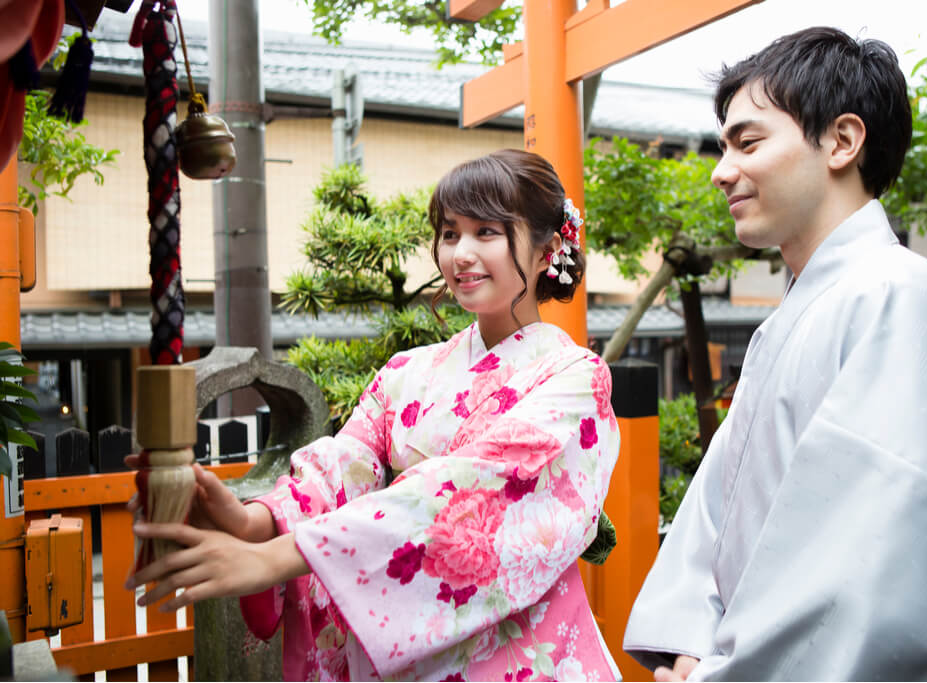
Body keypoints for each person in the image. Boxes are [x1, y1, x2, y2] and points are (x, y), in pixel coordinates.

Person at [127, 149, 622, 682]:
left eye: (486, 232)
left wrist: (275, 559)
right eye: (450, 233)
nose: (460, 254)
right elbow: (345, 466)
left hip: (527, 656)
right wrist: (252, 520)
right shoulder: (408, 372)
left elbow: (462, 496)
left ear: (547, 251)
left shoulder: (574, 378)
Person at [624, 26, 927, 681]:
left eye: (748, 141)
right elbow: (715, 524)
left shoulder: (903, 299)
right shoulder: (797, 319)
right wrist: (694, 646)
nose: (722, 171)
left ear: (841, 140)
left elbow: (877, 568)